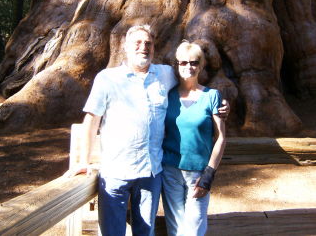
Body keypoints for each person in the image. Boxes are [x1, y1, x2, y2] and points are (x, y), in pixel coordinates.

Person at [68, 25, 229, 236]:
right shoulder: (107, 79)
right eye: (137, 42)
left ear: (153, 48)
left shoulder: (164, 74)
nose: (143, 47)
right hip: (116, 172)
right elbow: (91, 121)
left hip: (151, 172)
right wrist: (83, 161)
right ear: (125, 47)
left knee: (145, 231)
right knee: (112, 232)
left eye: (148, 43)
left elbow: (190, 81)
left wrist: (221, 104)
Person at [161, 41, 226, 236]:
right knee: (176, 228)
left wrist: (209, 174)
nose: (189, 67)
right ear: (176, 65)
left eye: (194, 62)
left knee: (194, 229)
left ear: (201, 65)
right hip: (170, 171)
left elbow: (221, 138)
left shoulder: (211, 96)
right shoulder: (168, 95)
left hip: (198, 173)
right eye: (183, 62)